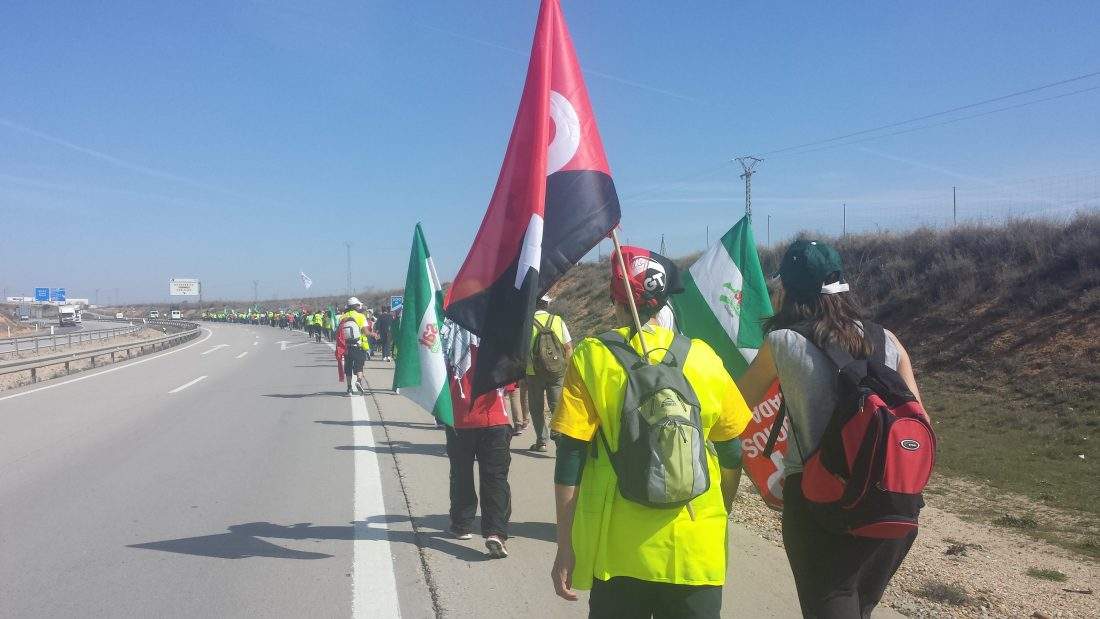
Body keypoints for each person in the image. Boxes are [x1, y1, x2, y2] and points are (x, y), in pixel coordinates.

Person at [550, 247, 752, 618]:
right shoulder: (705, 358)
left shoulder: (592, 357)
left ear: (616, 298)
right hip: (696, 550)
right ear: (664, 302)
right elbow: (732, 451)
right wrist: (723, 505)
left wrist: (565, 544)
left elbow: (570, 458)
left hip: (620, 551)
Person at [735, 239, 924, 619]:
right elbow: (920, 422)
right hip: (892, 506)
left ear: (788, 289)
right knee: (858, 608)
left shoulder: (783, 343)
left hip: (819, 506)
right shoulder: (887, 339)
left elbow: (734, 408)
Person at [442, 319, 513, 558]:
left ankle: (461, 524)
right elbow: (511, 384)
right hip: (494, 418)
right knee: (495, 477)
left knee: (461, 472)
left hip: (459, 418)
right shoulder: (499, 338)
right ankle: (496, 533)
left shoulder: (448, 338)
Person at [526, 295, 572, 452]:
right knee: (557, 407)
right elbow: (568, 347)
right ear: (546, 305)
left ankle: (542, 441)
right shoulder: (557, 320)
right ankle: (561, 442)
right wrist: (566, 369)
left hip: (533, 371)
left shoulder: (526, 323)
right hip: (556, 371)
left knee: (536, 407)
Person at [341, 298, 369, 395]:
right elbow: (365, 332)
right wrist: (373, 334)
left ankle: (349, 389)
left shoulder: (343, 317)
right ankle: (359, 381)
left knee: (348, 367)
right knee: (359, 366)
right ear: (356, 306)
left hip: (346, 346)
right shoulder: (361, 316)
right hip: (358, 345)